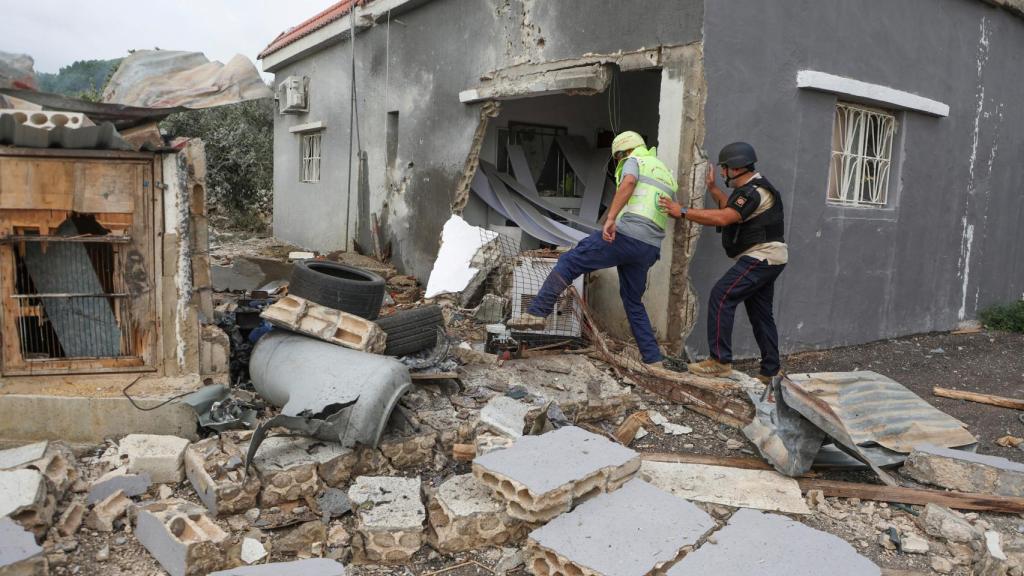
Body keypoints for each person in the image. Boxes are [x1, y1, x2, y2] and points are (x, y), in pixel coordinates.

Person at [508, 130, 677, 367]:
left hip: (627, 235)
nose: (618, 162)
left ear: (621, 152)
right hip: (649, 247)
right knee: (632, 301)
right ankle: (653, 358)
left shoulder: (633, 161)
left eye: (617, 158)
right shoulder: (664, 172)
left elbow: (628, 183)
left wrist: (611, 218)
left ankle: (537, 313)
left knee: (570, 261)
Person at [658, 142, 787, 382]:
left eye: (725, 168)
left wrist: (682, 211)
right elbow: (732, 207)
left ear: (736, 168)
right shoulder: (749, 190)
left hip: (762, 256)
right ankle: (771, 371)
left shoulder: (754, 191)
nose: (722, 172)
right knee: (760, 314)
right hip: (771, 258)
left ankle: (719, 361)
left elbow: (725, 217)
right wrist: (713, 189)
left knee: (722, 294)